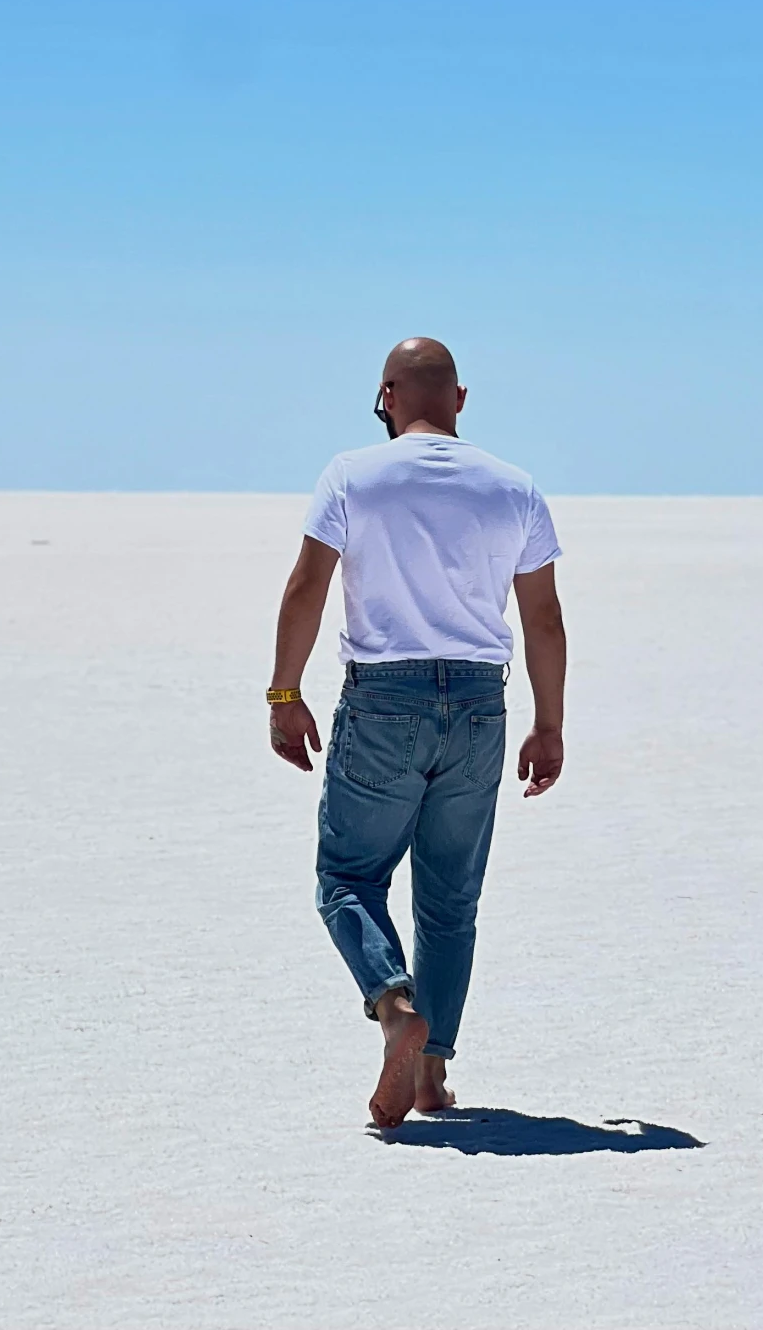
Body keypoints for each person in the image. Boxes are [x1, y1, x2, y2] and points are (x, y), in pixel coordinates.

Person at [266, 336, 567, 1129]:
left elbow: (306, 588)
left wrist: (284, 692)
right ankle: (432, 1079)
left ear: (387, 395)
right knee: (450, 902)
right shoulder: (514, 488)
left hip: (384, 702)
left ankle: (395, 1007)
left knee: (348, 878)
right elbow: (543, 619)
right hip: (479, 704)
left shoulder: (352, 474)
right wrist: (550, 724)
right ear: (460, 400)